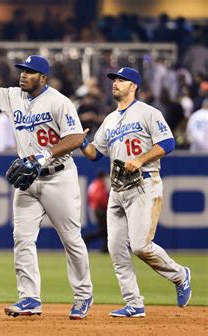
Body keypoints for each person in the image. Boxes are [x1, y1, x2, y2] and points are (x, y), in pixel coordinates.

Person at [0, 28, 93, 319]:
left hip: (58, 176)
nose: (23, 75)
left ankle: (83, 295)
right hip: (29, 180)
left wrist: (43, 155)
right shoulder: (12, 96)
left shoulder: (59, 101)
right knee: (22, 238)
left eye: (30, 72)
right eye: (22, 70)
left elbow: (74, 138)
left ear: (43, 78)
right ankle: (30, 298)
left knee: (71, 239)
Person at [80, 67, 192, 317]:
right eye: (114, 80)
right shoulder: (109, 119)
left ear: (134, 86)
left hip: (144, 184)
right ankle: (134, 303)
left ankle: (180, 275)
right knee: (116, 248)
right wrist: (82, 143)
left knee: (141, 246)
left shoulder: (148, 112)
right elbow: (95, 154)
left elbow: (168, 143)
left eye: (121, 80)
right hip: (118, 189)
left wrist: (141, 159)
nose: (115, 83)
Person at [83, 171, 109, 253]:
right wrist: (105, 205)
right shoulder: (99, 184)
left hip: (96, 208)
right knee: (103, 230)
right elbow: (100, 197)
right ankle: (87, 238)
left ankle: (105, 248)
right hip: (100, 209)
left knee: (104, 230)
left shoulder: (94, 184)